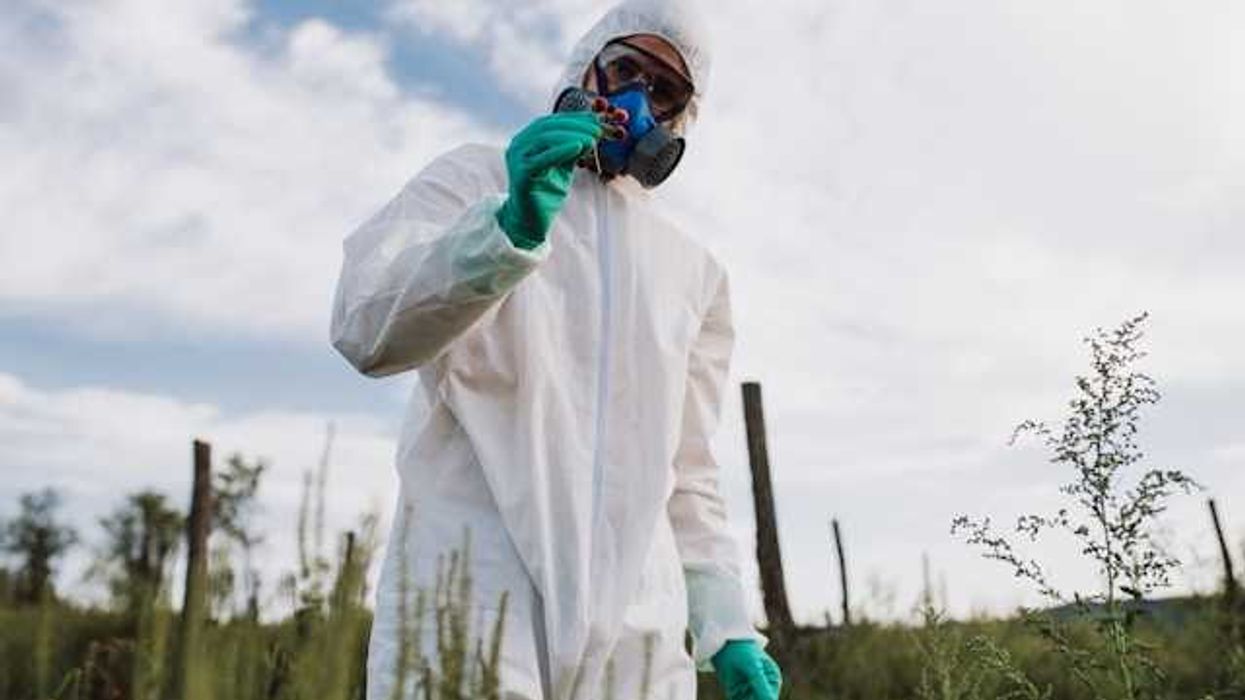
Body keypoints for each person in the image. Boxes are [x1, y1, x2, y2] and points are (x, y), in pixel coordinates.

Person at [330, 1, 782, 699]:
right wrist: (502, 232)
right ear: (586, 67)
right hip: (474, 598)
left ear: (680, 119)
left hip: (638, 629)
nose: (636, 100)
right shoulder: (475, 180)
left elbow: (687, 468)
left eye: (664, 90)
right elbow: (365, 328)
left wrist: (727, 624)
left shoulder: (692, 271)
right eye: (625, 68)